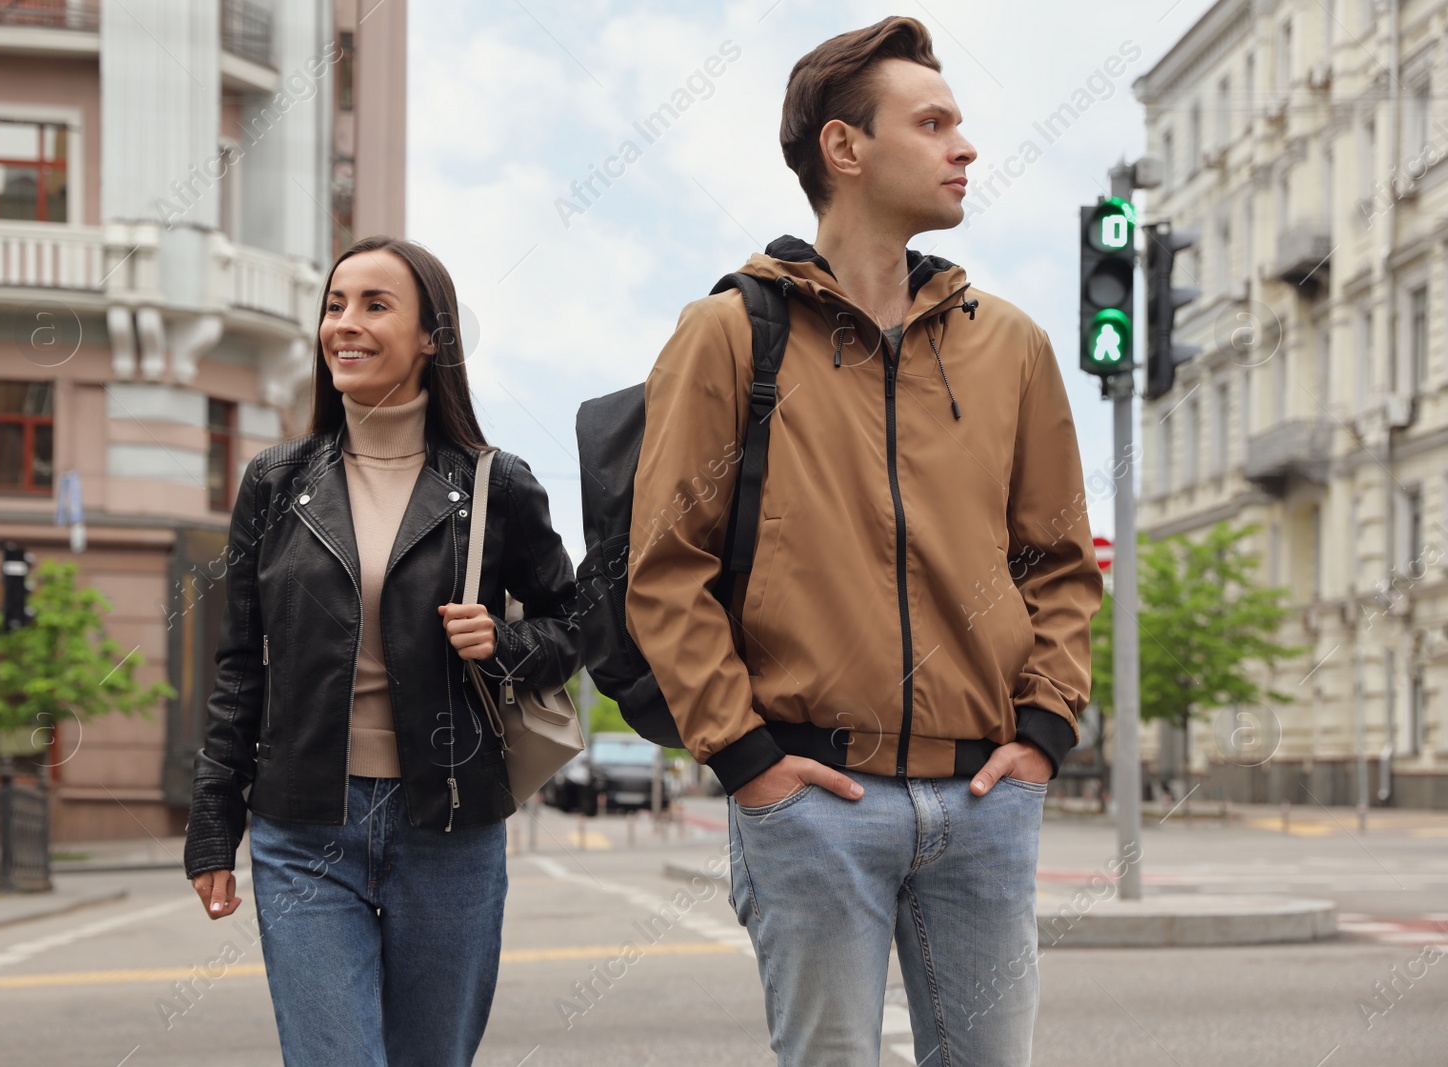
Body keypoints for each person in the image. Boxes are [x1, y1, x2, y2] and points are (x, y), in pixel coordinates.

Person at [625, 17, 1103, 1066]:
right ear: (845, 149)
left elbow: (1061, 560)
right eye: (931, 123)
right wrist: (747, 759)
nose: (964, 146)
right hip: (813, 798)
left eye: (959, 124)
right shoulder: (727, 333)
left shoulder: (1010, 344)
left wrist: (1043, 731)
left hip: (987, 798)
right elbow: (665, 570)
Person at [183, 236, 580, 1066]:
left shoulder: (493, 483)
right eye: (335, 305)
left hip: (450, 826)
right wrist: (214, 824)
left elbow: (574, 625)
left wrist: (503, 642)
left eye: (373, 305)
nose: (345, 324)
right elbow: (237, 664)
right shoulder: (275, 481)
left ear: (432, 337)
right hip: (302, 824)